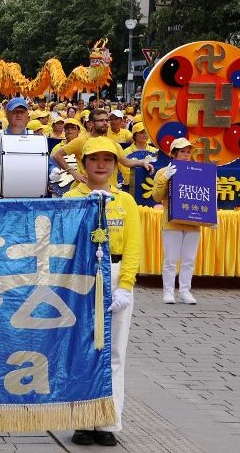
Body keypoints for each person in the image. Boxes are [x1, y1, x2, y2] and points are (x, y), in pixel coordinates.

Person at [64, 137, 139, 447]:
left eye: (108, 160)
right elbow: (65, 241)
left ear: (115, 165)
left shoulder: (126, 201)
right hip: (81, 276)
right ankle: (82, 420)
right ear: (84, 164)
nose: (101, 165)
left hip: (116, 272)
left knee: (114, 353)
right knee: (83, 349)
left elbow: (134, 247)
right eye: (95, 159)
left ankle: (108, 421)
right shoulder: (71, 197)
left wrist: (125, 287)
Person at [152, 138, 200, 305]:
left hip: (193, 222)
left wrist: (210, 217)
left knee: (189, 259)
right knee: (171, 258)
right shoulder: (164, 172)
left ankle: (185, 291)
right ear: (173, 153)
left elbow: (203, 195)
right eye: (182, 151)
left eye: (188, 152)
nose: (186, 155)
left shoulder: (197, 170)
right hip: (172, 220)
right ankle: (168, 291)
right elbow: (156, 197)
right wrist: (164, 178)